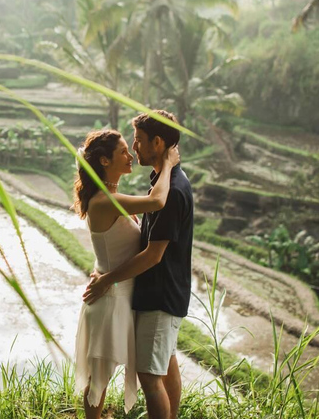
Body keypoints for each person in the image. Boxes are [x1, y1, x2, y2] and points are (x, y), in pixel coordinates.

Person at [83, 111, 194, 419]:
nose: (133, 150)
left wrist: (105, 277)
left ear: (157, 142)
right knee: (110, 374)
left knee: (150, 375)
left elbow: (152, 253)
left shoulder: (168, 188)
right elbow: (114, 244)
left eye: (138, 142)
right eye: (126, 149)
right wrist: (103, 274)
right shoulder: (142, 188)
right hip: (125, 297)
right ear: (105, 162)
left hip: (152, 294)